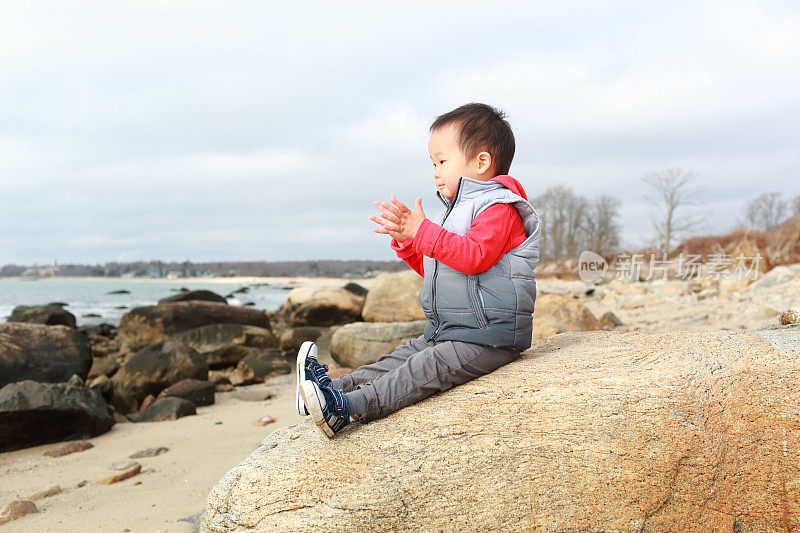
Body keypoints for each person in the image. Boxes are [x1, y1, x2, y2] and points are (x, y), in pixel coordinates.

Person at [297, 102, 541, 438]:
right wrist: (409, 241)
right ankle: (328, 391)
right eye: (433, 164)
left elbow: (473, 258)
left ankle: (348, 409)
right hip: (452, 330)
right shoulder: (453, 213)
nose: (436, 172)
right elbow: (441, 270)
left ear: (481, 162)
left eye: (442, 161)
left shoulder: (499, 209)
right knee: (401, 358)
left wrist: (423, 231)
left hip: (490, 337)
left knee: (425, 368)